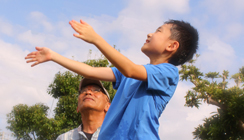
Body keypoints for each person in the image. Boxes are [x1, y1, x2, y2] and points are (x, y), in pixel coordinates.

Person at [25, 19, 198, 140]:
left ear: (171, 46)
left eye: (159, 31)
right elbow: (90, 71)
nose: (150, 33)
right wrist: (53, 55)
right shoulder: (127, 75)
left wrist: (96, 39)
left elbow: (130, 69)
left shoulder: (168, 73)